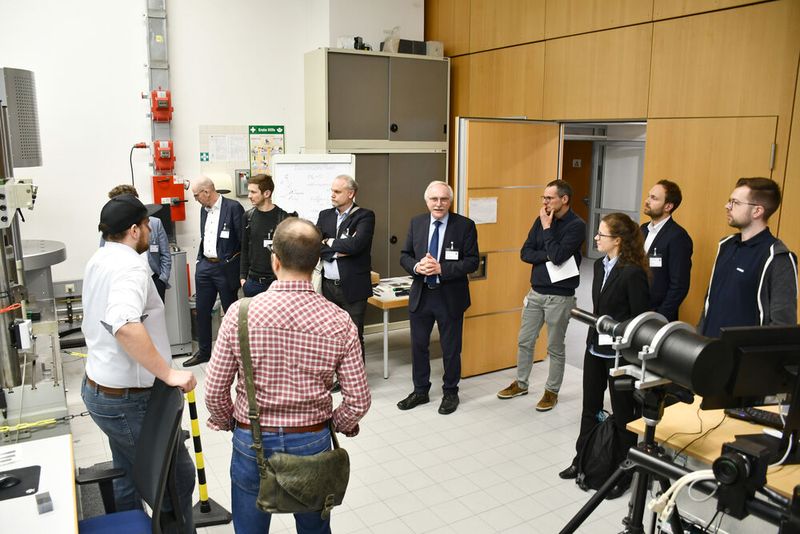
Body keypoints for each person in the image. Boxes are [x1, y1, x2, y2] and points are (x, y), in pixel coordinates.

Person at [204, 218, 371, 534]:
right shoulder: (340, 321)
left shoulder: (239, 314)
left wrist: (231, 422)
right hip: (313, 439)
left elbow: (214, 391)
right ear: (316, 262)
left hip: (252, 438)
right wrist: (337, 424)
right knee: (314, 528)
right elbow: (359, 399)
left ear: (274, 260)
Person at [81, 194, 197, 530]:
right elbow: (125, 324)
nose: (150, 230)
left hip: (102, 389)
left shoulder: (100, 258)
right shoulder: (130, 265)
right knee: (176, 480)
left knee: (127, 474)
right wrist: (169, 373)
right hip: (127, 399)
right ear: (134, 230)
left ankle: (130, 525)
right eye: (147, 224)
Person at [559, 213, 650, 500]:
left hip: (620, 355)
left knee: (623, 414)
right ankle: (581, 460)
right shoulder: (600, 265)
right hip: (594, 348)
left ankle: (622, 472)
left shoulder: (633, 272)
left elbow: (640, 319)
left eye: (601, 235)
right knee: (591, 408)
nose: (596, 238)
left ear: (618, 240)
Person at [497, 179, 586, 411]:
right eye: (543, 198)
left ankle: (551, 392)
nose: (544, 202)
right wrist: (548, 252)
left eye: (549, 198)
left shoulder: (576, 225)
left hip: (560, 297)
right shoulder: (540, 220)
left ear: (564, 199)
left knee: (555, 347)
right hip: (535, 292)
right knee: (525, 341)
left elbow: (557, 256)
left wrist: (547, 231)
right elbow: (526, 253)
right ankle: (522, 383)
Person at [397, 180, 480, 415]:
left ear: (450, 201)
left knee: (451, 348)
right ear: (427, 201)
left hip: (450, 296)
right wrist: (416, 267)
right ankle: (420, 390)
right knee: (418, 346)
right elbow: (404, 255)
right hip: (422, 296)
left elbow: (472, 261)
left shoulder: (464, 226)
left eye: (444, 199)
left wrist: (441, 269)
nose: (439, 203)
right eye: (434, 199)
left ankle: (451, 392)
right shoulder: (417, 223)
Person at [698, 177, 798, 338]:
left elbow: (783, 327)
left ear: (757, 211)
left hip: (743, 359)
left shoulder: (778, 257)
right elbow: (710, 303)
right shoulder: (726, 246)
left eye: (735, 202)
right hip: (709, 350)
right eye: (729, 201)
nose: (727, 206)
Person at [184, 176, 245, 367]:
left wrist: (240, 269)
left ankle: (237, 355)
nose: (195, 199)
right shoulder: (204, 210)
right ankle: (204, 352)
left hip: (225, 267)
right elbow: (206, 236)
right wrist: (199, 260)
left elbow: (242, 240)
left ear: (207, 192)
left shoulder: (233, 207)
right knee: (202, 310)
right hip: (205, 266)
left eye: (196, 195)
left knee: (231, 312)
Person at [316, 174, 375, 362]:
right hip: (328, 286)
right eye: (332, 191)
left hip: (353, 286)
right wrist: (337, 248)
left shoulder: (365, 215)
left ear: (351, 193)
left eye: (337, 191)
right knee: (332, 336)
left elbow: (356, 246)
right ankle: (336, 377)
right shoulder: (324, 215)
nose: (332, 195)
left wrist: (329, 242)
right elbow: (316, 245)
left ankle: (356, 380)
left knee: (354, 335)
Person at [103, 184, 172, 302]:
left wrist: (162, 279)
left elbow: (165, 254)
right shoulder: (111, 231)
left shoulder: (155, 223)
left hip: (154, 280)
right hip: (126, 283)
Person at [640, 180, 693, 321]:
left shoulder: (678, 237)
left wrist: (660, 316)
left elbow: (679, 285)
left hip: (657, 314)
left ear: (668, 206)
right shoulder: (642, 229)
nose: (646, 201)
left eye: (654, 198)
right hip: (637, 307)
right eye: (648, 196)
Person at [239, 173, 295, 297]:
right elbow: (244, 249)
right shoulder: (248, 217)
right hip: (252, 283)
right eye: (249, 192)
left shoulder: (283, 218)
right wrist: (243, 278)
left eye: (253, 192)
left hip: (277, 283)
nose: (249, 196)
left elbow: (289, 254)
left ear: (267, 194)